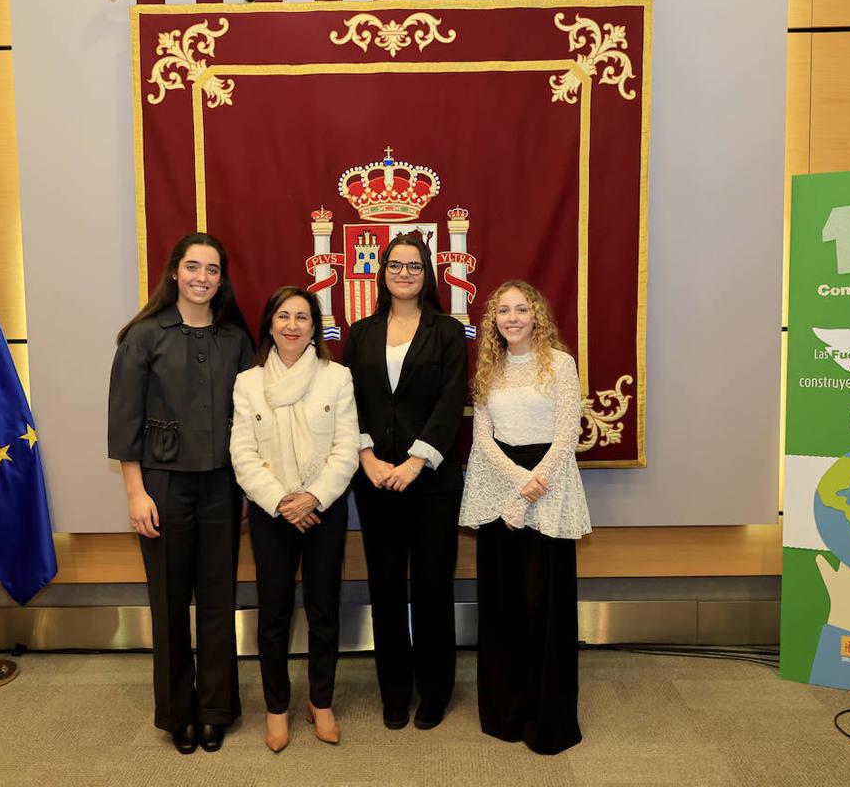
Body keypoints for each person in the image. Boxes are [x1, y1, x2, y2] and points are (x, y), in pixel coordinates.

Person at [108, 233, 253, 754]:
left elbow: (250, 421)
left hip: (220, 483)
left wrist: (246, 487)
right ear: (174, 272)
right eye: (193, 267)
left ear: (222, 279)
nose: (202, 278)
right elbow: (123, 419)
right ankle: (176, 711)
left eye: (212, 270)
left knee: (218, 600)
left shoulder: (235, 339)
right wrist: (135, 492)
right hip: (161, 486)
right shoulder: (144, 335)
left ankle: (215, 709)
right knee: (169, 601)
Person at [341, 232, 468, 731]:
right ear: (382, 270)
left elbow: (450, 402)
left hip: (431, 483)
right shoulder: (362, 333)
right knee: (387, 589)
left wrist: (415, 463)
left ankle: (434, 691)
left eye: (414, 266)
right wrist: (367, 456)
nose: (404, 274)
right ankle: (395, 691)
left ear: (427, 273)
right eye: (396, 265)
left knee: (433, 588)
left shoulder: (448, 331)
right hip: (375, 482)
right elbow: (348, 399)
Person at [459, 280, 592, 755]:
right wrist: (516, 484)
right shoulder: (489, 369)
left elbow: (565, 434)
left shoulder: (560, 363)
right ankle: (505, 713)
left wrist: (531, 487)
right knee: (503, 606)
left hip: (549, 484)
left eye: (521, 309)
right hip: (500, 481)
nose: (512, 318)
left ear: (536, 314)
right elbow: (481, 438)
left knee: (545, 606)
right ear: (493, 321)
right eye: (502, 312)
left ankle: (547, 719)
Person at [230, 286, 360, 752]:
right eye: (283, 316)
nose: (291, 325)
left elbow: (347, 449)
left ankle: (320, 702)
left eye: (302, 317)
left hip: (324, 508)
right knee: (275, 614)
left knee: (324, 609)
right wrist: (285, 501)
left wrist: (313, 498)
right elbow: (242, 454)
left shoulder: (336, 377)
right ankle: (277, 708)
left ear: (314, 327)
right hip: (272, 513)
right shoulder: (248, 383)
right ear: (269, 324)